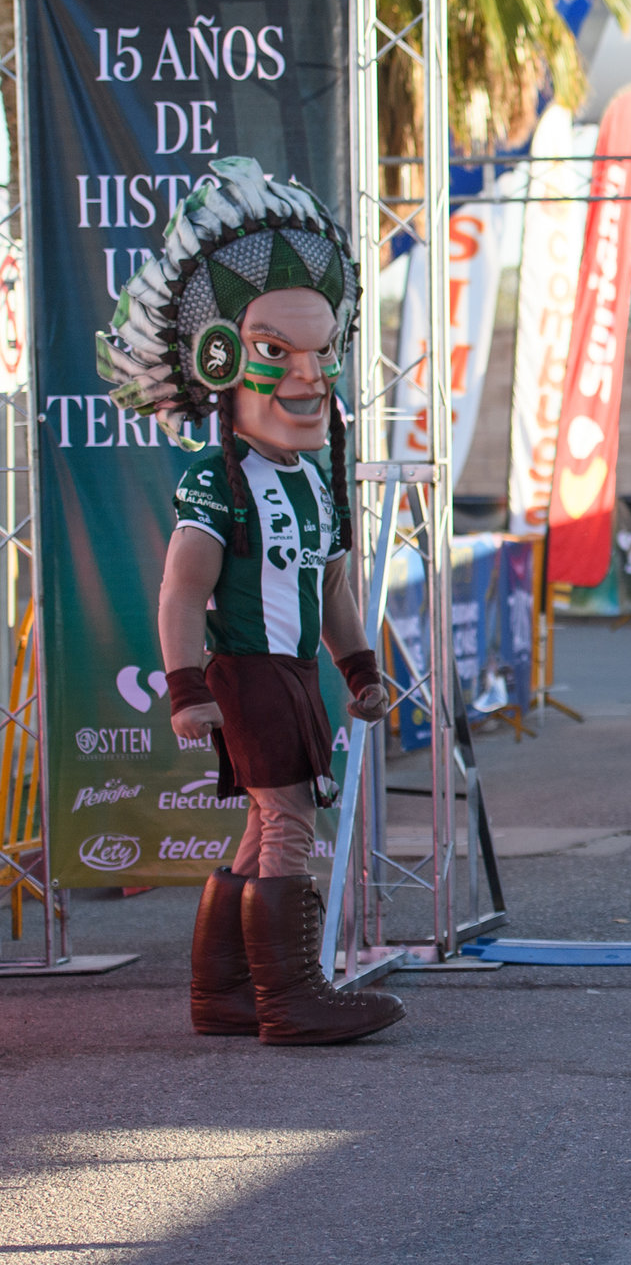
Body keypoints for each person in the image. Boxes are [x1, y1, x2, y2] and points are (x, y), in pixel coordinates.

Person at [97, 156, 403, 1045]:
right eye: (277, 353)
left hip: (292, 672)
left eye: (323, 353)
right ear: (221, 357)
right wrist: (187, 689)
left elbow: (334, 583)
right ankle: (291, 997)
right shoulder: (215, 478)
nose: (309, 379)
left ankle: (224, 994)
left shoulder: (313, 477)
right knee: (293, 819)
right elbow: (181, 588)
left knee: (267, 817)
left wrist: (359, 668)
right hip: (249, 672)